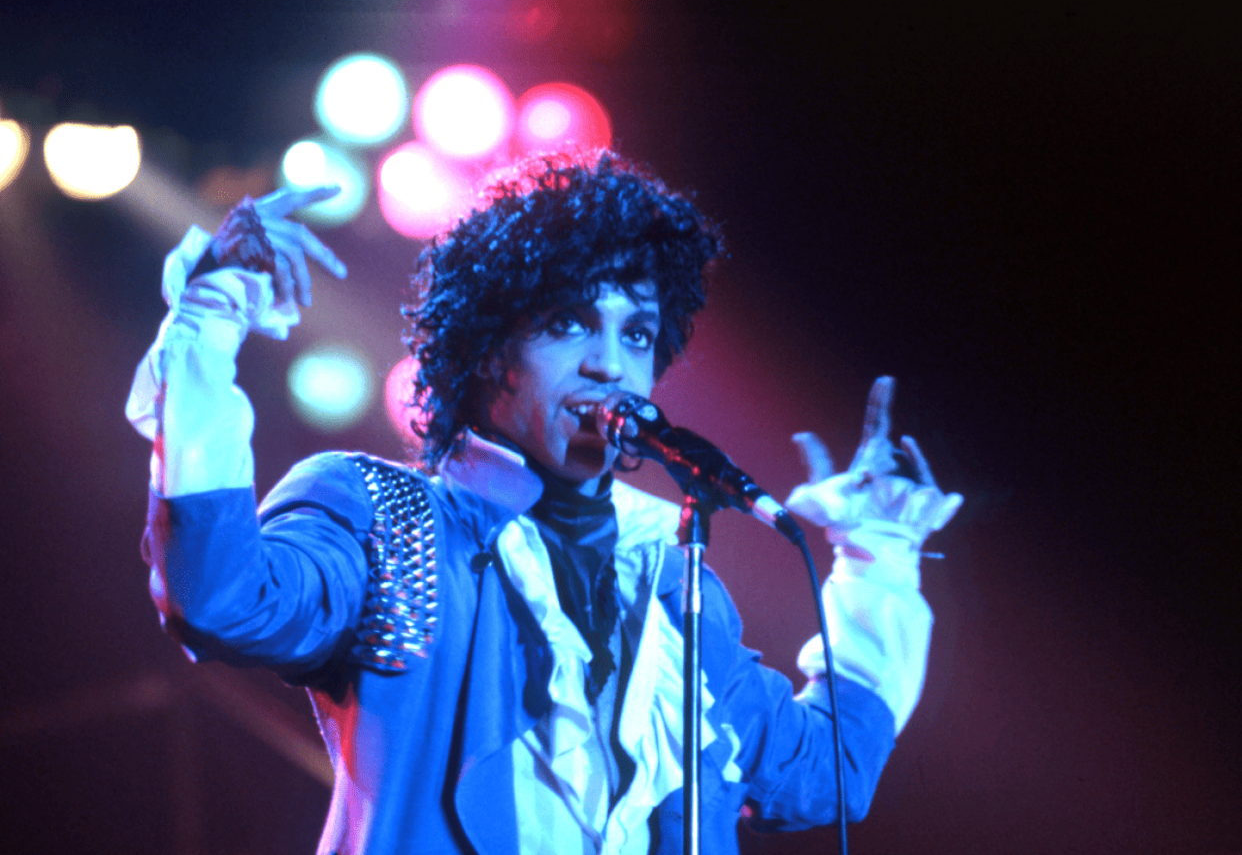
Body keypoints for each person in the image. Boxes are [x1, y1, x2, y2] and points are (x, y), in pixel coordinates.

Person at [126, 151, 961, 855]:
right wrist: (207, 329)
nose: (609, 364)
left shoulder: (672, 584)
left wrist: (877, 557)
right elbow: (222, 599)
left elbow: (823, 774)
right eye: (569, 323)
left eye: (636, 333)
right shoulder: (388, 519)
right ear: (490, 352)